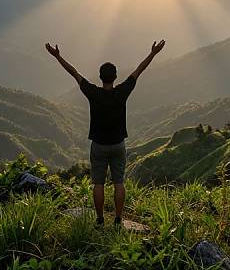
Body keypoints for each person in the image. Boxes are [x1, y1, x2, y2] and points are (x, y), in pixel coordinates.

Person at [45, 40, 166, 226]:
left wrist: (57, 56)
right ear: (115, 77)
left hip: (99, 146)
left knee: (98, 184)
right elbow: (139, 70)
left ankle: (100, 219)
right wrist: (153, 53)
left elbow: (74, 73)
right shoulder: (122, 91)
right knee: (119, 182)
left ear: (100, 77)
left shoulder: (93, 93)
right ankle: (118, 219)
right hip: (118, 144)